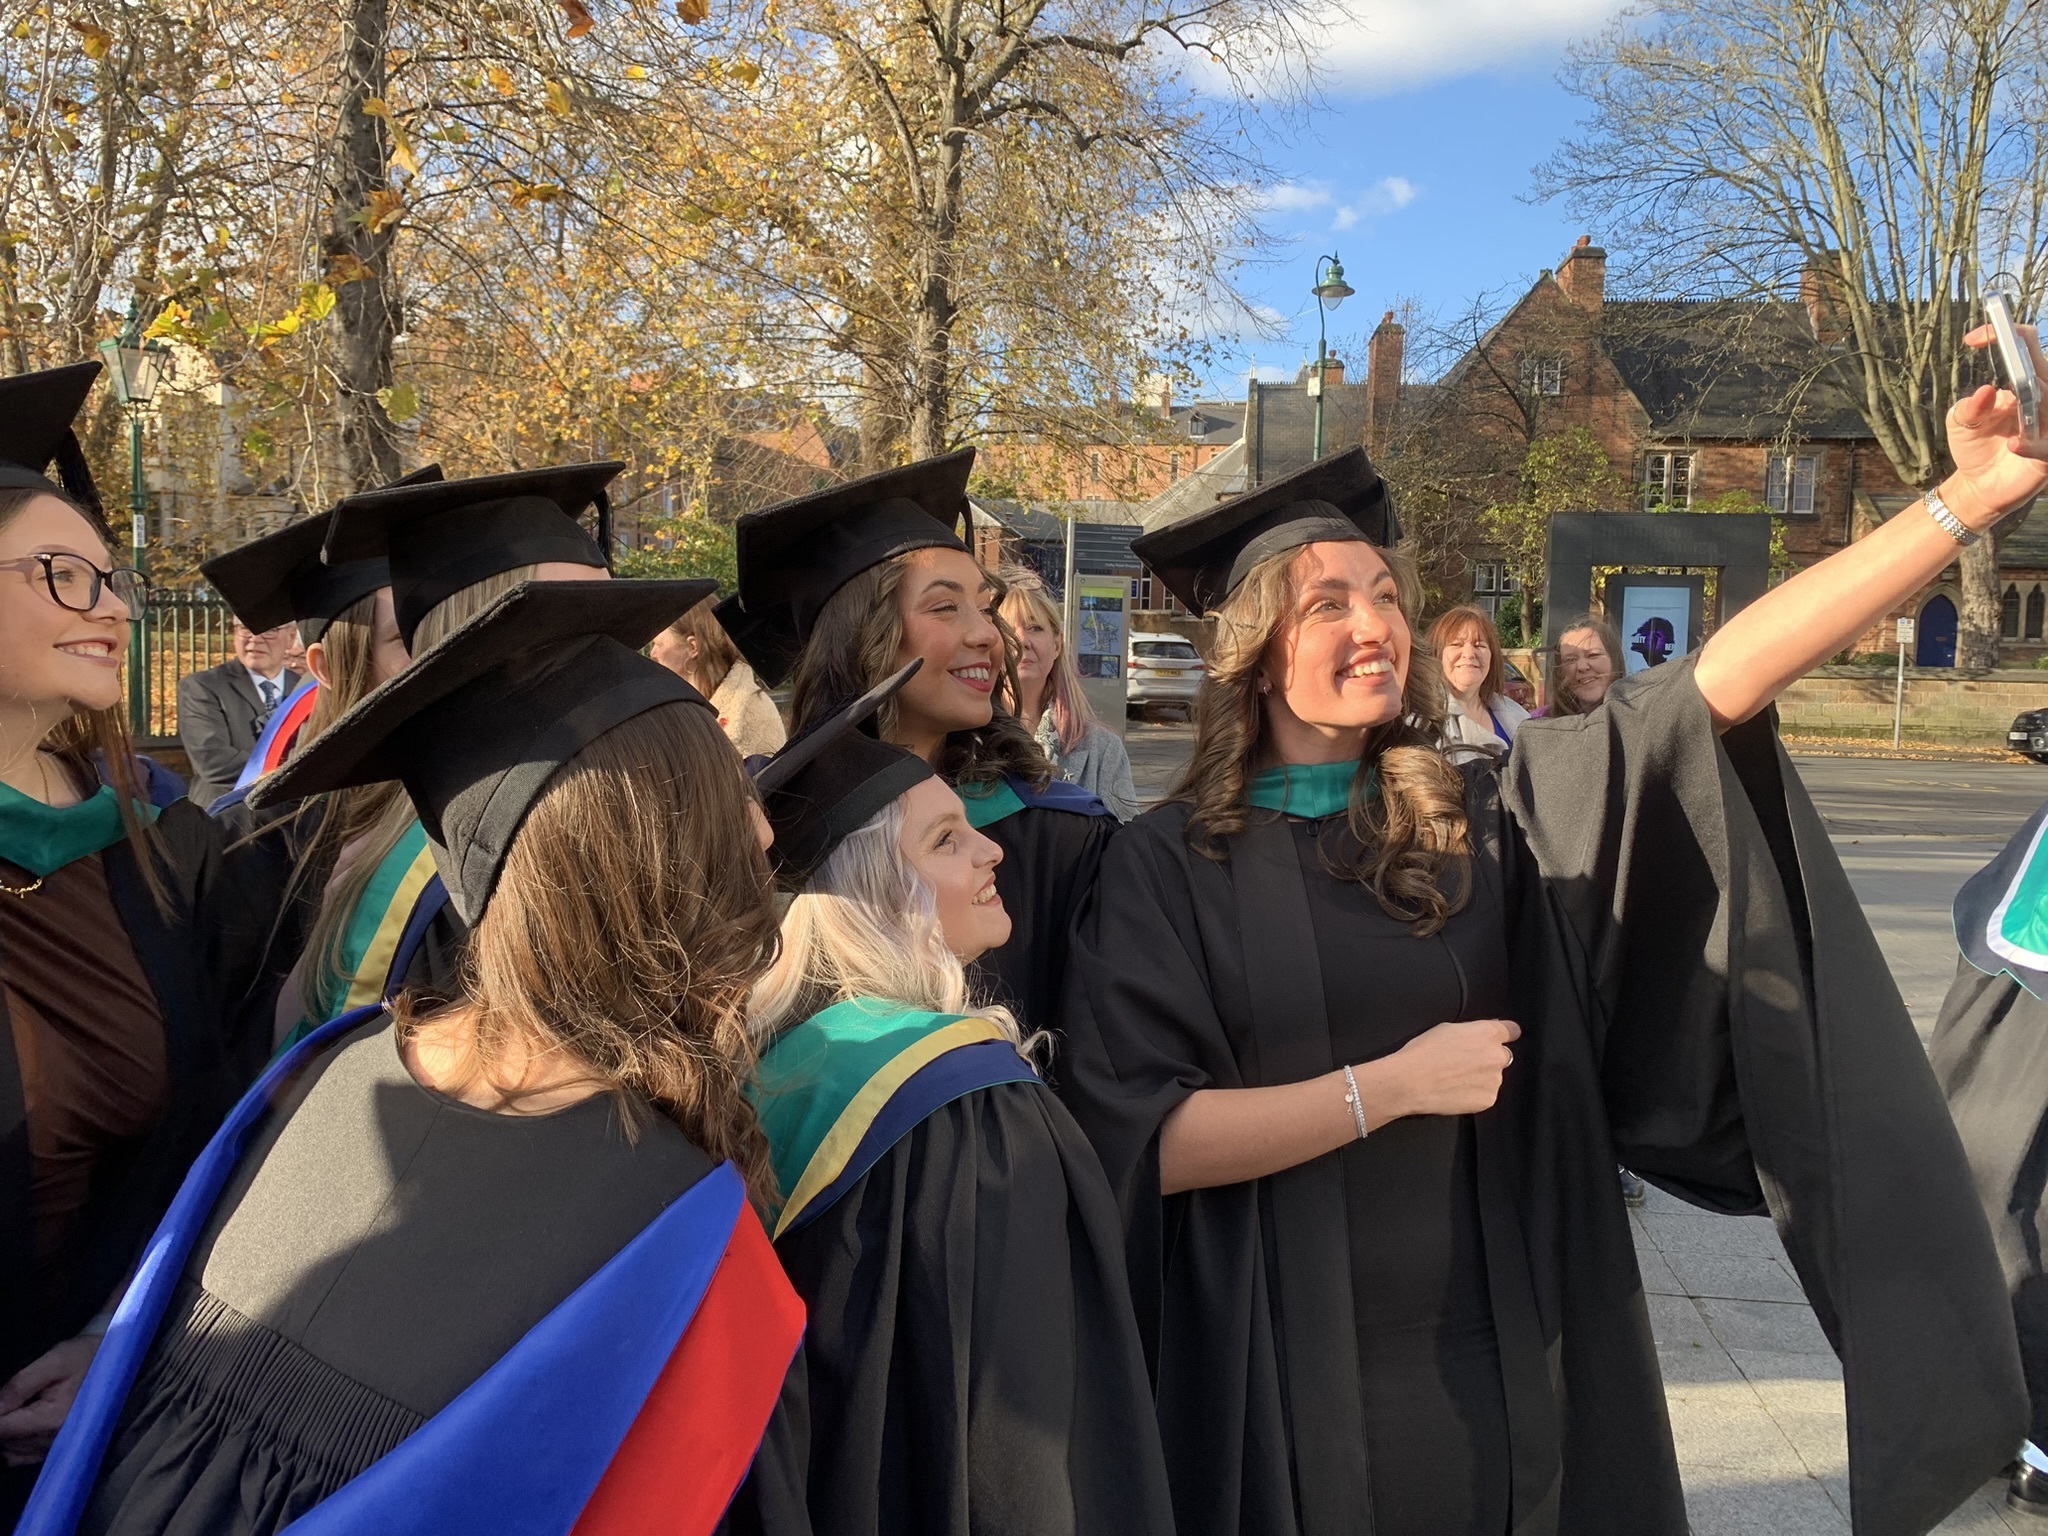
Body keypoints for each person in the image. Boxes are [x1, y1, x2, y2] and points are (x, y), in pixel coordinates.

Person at [1059, 426, 2038, 1536]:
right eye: (1327, 604)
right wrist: (1389, 1088)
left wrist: (1965, 501)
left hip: (1503, 1343)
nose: (1375, 624)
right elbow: (1145, 1140)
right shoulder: (1163, 868)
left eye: (1385, 596)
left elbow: (1709, 689)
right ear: (1251, 649)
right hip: (1262, 1361)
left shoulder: (1485, 816)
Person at [25, 579, 808, 1536]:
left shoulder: (338, 1063)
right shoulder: (691, 1244)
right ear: (661, 865)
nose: (766, 828)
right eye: (733, 797)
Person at [746, 662, 1174, 1536]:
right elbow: (1024, 1443)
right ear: (869, 894)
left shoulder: (778, 1069)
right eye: (945, 841)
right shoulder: (964, 1102)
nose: (992, 850)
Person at [0, 362, 258, 1526]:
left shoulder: (162, 855)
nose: (114, 609)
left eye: (112, 579)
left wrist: (120, 1334)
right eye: (62, 574)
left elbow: (211, 1138)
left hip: (88, 1443)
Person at [718, 450, 1115, 1033]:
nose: (987, 634)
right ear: (863, 636)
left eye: (985, 607)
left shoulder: (1059, 835)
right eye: (945, 607)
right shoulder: (766, 826)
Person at [999, 572, 1140, 820]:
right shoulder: (963, 742)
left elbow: (1125, 837)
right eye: (1007, 629)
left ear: (1057, 645)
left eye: (1034, 628)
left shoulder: (1102, 750)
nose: (1022, 640)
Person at [177, 619, 301, 807]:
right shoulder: (202, 687)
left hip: (293, 814)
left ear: (291, 637)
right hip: (226, 814)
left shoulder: (306, 688)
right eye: (245, 628)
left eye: (269, 630)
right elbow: (213, 761)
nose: (255, 638)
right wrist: (294, 776)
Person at [651, 595, 787, 757]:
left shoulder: (752, 711)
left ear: (692, 647)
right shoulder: (669, 711)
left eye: (658, 644)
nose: (653, 654)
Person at [1428, 604, 1529, 760]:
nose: (1469, 654)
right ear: (1436, 654)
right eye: (1456, 644)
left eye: (1479, 645)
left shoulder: (1518, 716)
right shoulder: (1422, 722)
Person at [1543, 613, 1621, 717]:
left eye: (1593, 655)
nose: (1582, 667)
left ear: (1614, 659)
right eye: (1571, 660)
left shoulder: (1640, 716)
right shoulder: (1542, 720)